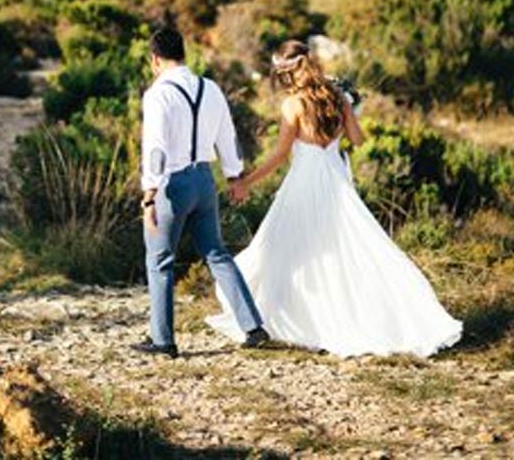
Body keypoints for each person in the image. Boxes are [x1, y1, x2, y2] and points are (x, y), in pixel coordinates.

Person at [207, 39, 463, 358]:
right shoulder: (338, 96)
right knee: (351, 247)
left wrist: (246, 181)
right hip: (336, 181)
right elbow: (357, 138)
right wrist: (349, 109)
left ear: (288, 72)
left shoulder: (293, 105)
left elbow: (279, 155)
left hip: (304, 182)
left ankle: (301, 319)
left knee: (292, 250)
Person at [132, 26, 268, 359]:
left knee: (160, 260)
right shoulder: (211, 88)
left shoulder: (158, 94)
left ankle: (163, 340)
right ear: (183, 54)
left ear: (155, 59)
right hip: (204, 181)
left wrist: (149, 194)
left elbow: (155, 147)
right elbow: (227, 136)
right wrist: (234, 176)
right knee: (217, 254)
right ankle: (254, 328)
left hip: (172, 185)